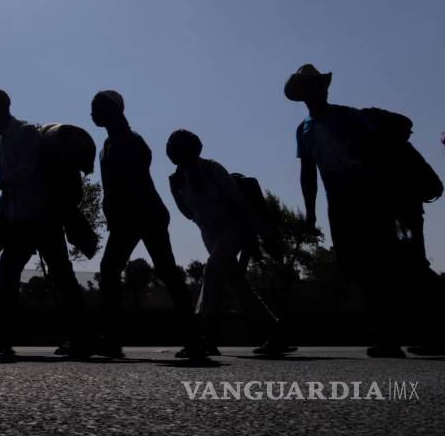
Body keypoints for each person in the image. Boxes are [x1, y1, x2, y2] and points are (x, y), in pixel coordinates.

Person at [285, 63, 443, 357]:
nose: (316, 90)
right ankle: (388, 336)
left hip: (372, 201)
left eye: (319, 84)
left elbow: (378, 152)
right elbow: (308, 173)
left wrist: (389, 198)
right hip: (340, 208)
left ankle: (423, 330)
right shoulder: (304, 130)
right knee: (361, 269)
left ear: (324, 88)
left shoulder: (348, 116)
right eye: (309, 86)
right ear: (301, 93)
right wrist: (310, 213)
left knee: (396, 266)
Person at [0, 89, 94, 357]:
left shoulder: (25, 132)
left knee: (61, 274)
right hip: (19, 216)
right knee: (12, 269)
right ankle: (5, 334)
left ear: (3, 107)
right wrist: (3, 204)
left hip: (41, 215)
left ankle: (82, 336)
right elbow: (9, 177)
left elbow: (26, 170)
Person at [90, 90, 200, 359]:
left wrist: (121, 209)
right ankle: (113, 338)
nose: (91, 112)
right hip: (128, 218)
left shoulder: (131, 140)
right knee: (115, 271)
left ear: (114, 110)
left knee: (166, 273)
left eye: (97, 107)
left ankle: (195, 338)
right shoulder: (107, 146)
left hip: (144, 214)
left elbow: (136, 176)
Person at [165, 129, 294, 357]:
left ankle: (205, 337)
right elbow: (187, 213)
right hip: (209, 235)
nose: (179, 151)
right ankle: (275, 333)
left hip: (234, 228)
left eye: (183, 146)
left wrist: (264, 234)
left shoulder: (212, 168)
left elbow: (239, 201)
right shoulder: (176, 181)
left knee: (212, 271)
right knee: (238, 285)